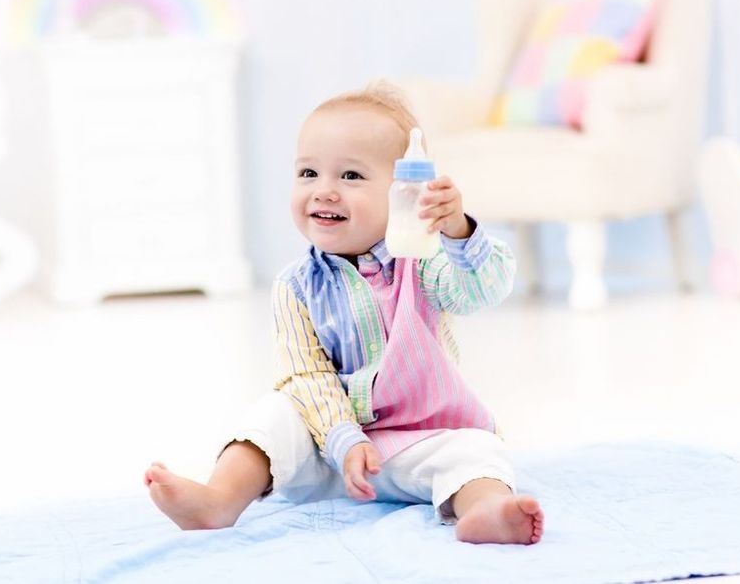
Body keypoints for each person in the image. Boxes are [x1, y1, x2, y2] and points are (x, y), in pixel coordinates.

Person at [144, 82, 544, 545]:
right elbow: (307, 376)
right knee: (274, 411)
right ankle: (219, 499)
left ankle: (485, 510)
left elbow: (481, 290)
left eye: (351, 177)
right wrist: (344, 439)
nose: (324, 191)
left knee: (478, 450)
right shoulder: (296, 286)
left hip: (424, 442)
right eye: (309, 172)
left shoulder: (423, 260)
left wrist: (457, 232)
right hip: (331, 451)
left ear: (405, 193)